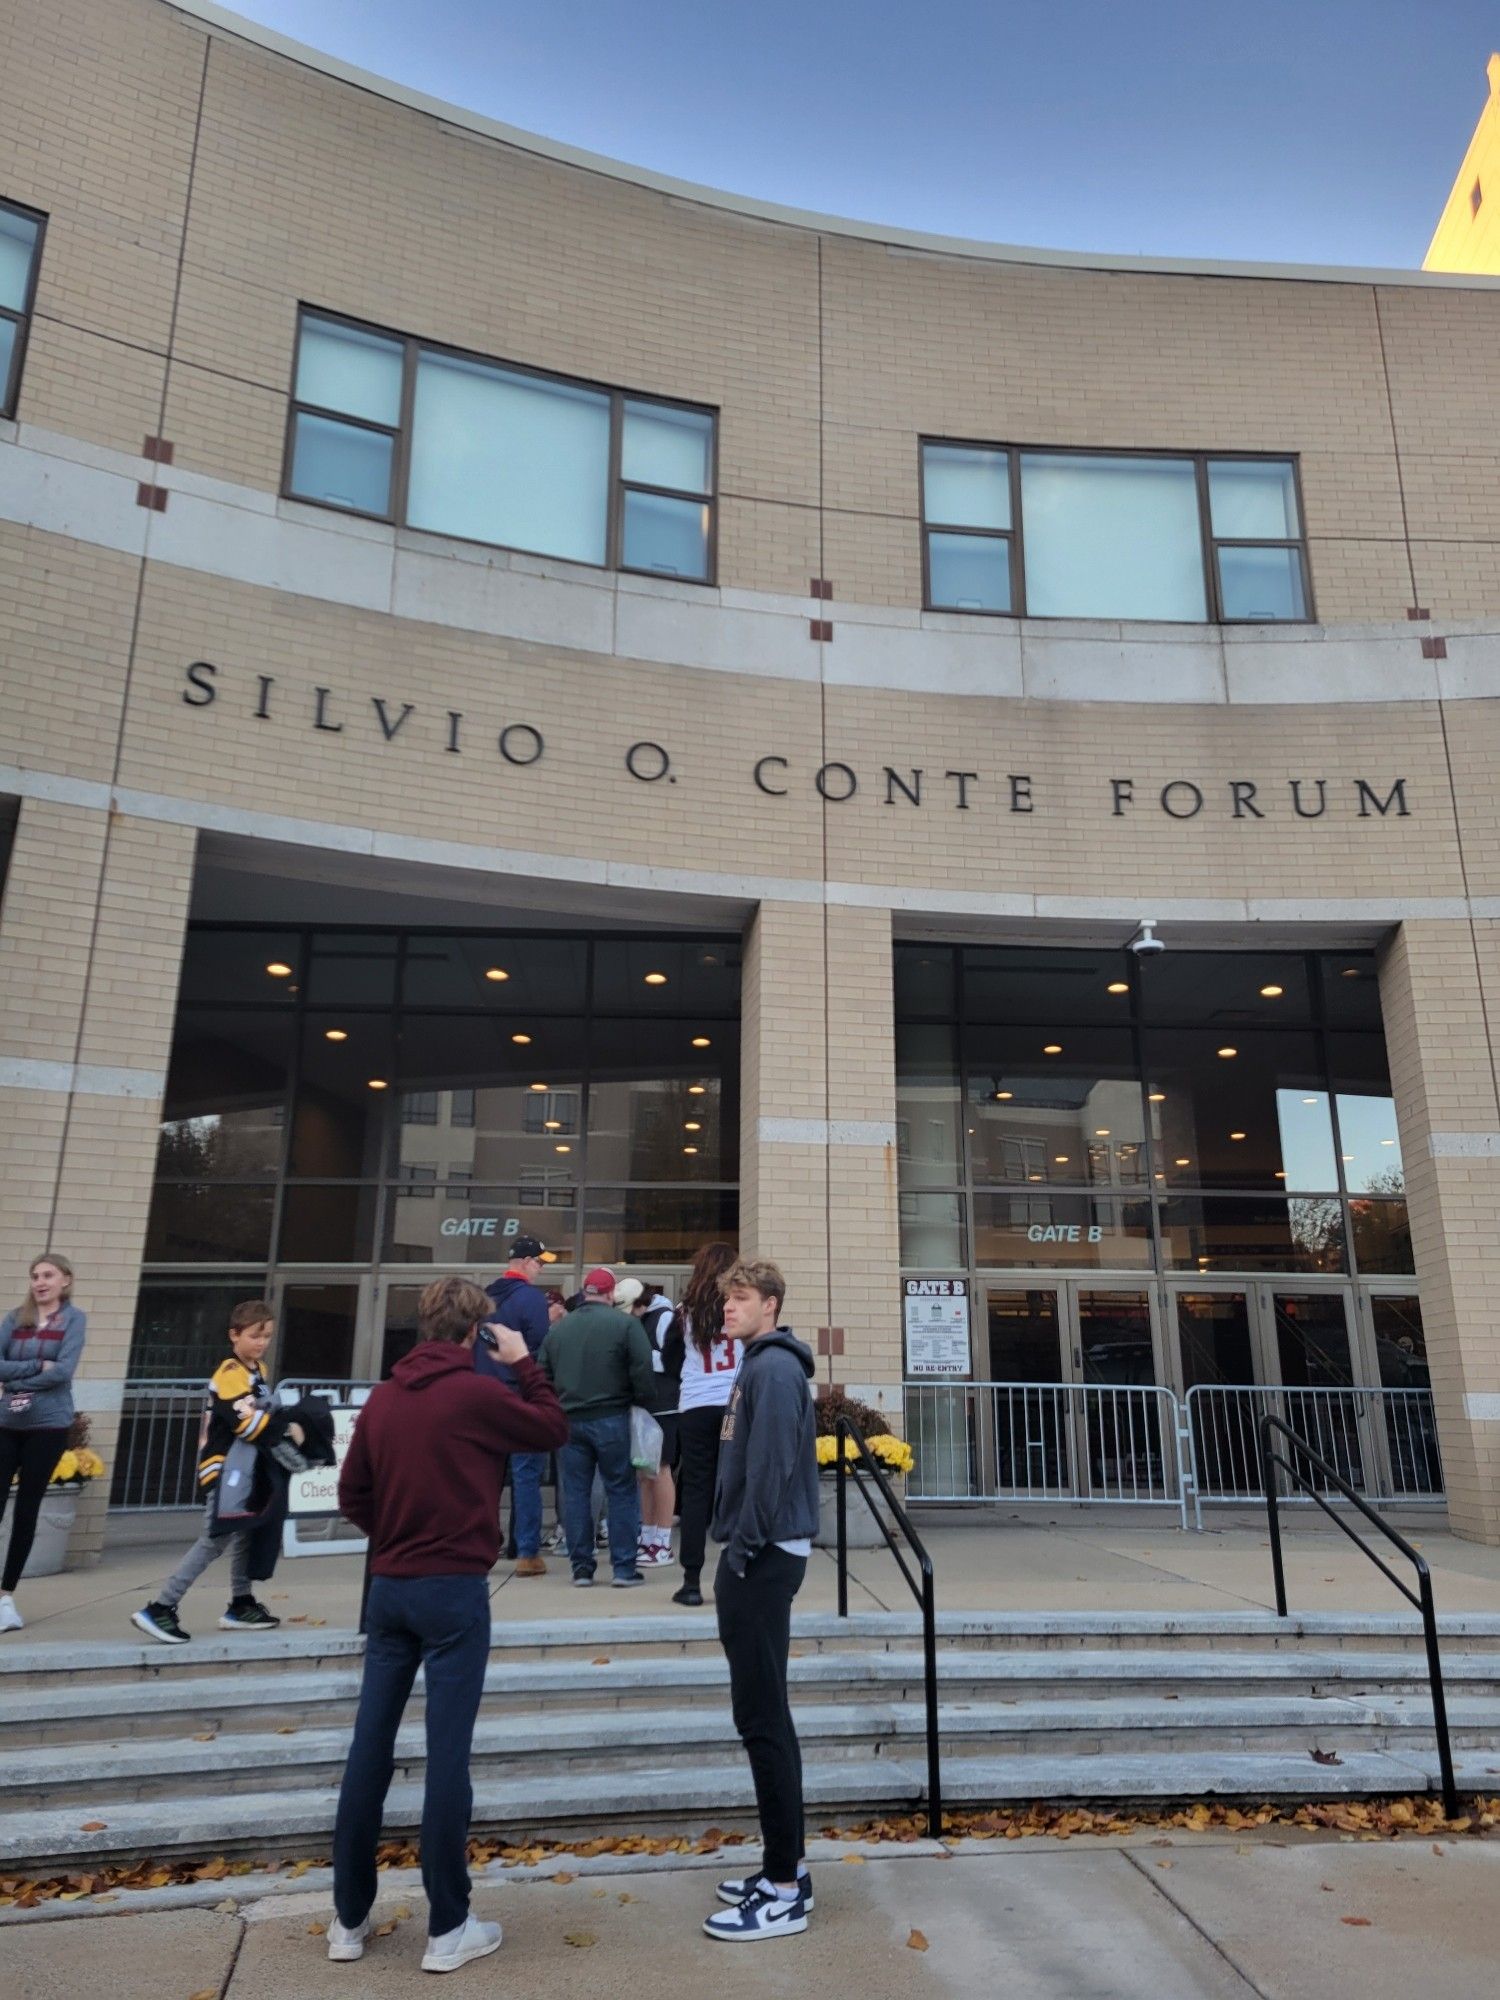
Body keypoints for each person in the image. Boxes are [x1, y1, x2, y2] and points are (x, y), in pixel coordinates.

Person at [327, 1277, 567, 1974]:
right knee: (447, 1756)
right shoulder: (481, 1393)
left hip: (391, 1589)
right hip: (454, 1590)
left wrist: (396, 1537)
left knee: (368, 1749)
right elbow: (552, 1427)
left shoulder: (384, 1397)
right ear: (477, 1332)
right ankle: (448, 1925)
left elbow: (352, 1494)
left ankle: (348, 1918)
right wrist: (523, 1360)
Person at [701, 1258, 818, 1944]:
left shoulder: (773, 1371)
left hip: (765, 1555)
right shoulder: (761, 1366)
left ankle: (783, 1891)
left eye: (740, 1299)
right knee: (762, 1712)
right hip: (761, 1551)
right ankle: (785, 1868)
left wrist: (740, 1552)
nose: (729, 1309)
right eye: (727, 1300)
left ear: (770, 1304)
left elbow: (770, 1468)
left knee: (763, 1716)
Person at [133, 1299, 290, 1644]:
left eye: (267, 1336)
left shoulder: (258, 1371)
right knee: (214, 1540)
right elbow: (246, 1426)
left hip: (247, 1469)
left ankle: (241, 1603)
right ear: (234, 1335)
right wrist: (287, 1428)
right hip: (223, 1468)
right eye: (254, 1335)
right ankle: (161, 1607)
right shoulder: (230, 1374)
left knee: (247, 1532)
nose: (261, 1343)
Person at [538, 1267, 654, 1588]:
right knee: (621, 1491)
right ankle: (624, 1568)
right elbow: (642, 1369)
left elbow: (541, 1375)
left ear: (585, 1292)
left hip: (569, 1421)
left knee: (575, 1493)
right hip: (613, 1418)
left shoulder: (559, 1330)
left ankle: (582, 1569)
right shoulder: (626, 1325)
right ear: (610, 1293)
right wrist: (642, 1400)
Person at [0, 1255, 86, 1633]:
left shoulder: (74, 1320)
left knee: (27, 1509)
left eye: (48, 1275)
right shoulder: (14, 1319)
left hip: (48, 1426)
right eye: (35, 1276)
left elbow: (64, 1372)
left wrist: (14, 1381)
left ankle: (6, 1597)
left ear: (65, 1280)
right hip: (6, 1423)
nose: (40, 1282)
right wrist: (37, 1369)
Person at [667, 1242, 739, 1607]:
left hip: (695, 1407)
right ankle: (737, 1575)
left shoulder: (684, 1312)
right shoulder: (739, 1307)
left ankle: (691, 1581)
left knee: (696, 1490)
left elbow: (669, 1359)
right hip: (733, 1406)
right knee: (737, 1485)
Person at [480, 1235, 551, 1577]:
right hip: (519, 1396)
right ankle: (526, 1553)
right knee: (526, 1477)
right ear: (524, 1262)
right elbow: (539, 1348)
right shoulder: (530, 1300)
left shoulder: (484, 1299)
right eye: (539, 1262)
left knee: (485, 1477)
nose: (541, 1268)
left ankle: (482, 1546)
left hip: (484, 1397)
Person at [631, 1282, 679, 1571]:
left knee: (660, 1471)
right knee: (645, 1472)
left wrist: (637, 1356)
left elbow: (674, 1361)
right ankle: (648, 1534)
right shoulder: (647, 1319)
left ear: (640, 1303)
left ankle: (662, 1540)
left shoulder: (664, 1317)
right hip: (646, 1406)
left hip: (665, 1406)